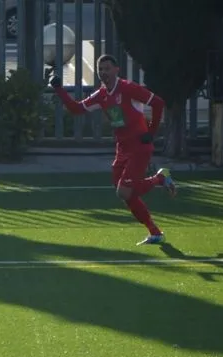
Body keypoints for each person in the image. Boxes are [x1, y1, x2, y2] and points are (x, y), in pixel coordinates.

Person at [47, 54, 176, 246]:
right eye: (101, 69)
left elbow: (157, 103)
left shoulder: (128, 88)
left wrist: (151, 132)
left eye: (108, 68)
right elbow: (76, 109)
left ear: (117, 70)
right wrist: (59, 89)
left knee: (124, 191)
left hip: (139, 146)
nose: (104, 72)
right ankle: (155, 232)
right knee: (125, 192)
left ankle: (160, 179)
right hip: (123, 148)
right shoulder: (102, 95)